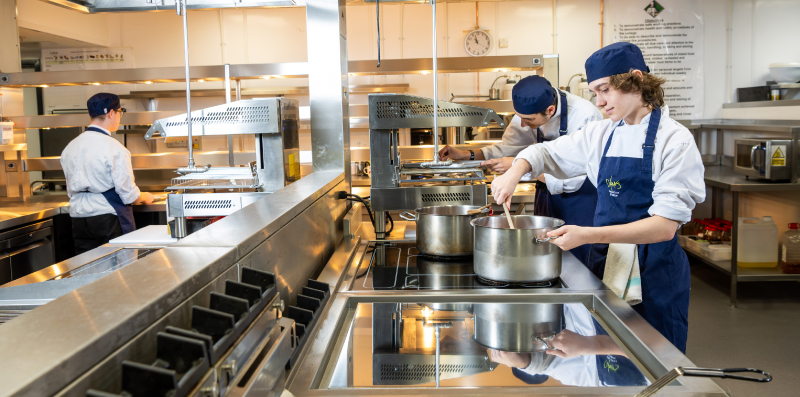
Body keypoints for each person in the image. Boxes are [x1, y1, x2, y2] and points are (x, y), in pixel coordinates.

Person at [490, 42, 705, 353]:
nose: (600, 102)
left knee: (658, 355)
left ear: (636, 79)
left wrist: (587, 235)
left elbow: (663, 227)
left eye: (605, 90)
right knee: (610, 355)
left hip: (653, 270)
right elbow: (544, 153)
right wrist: (514, 172)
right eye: (594, 92)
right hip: (606, 262)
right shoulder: (602, 134)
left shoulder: (675, 140)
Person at [439, 76, 603, 263]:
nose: (523, 124)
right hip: (546, 197)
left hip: (580, 203)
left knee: (578, 263)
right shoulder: (529, 113)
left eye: (528, 120)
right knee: (544, 257)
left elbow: (574, 179)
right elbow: (507, 148)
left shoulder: (586, 115)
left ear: (550, 110)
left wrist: (518, 167)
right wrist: (466, 154)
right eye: (519, 117)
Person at [61, 93, 154, 254]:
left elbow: (70, 189)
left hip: (79, 218)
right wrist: (145, 196)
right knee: (119, 266)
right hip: (108, 219)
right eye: (119, 112)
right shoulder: (114, 148)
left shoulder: (70, 147)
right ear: (111, 113)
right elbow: (128, 194)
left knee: (86, 266)